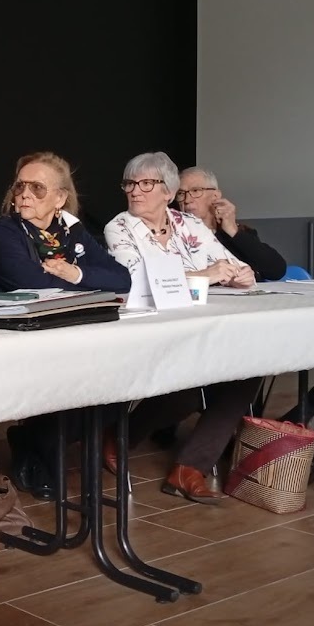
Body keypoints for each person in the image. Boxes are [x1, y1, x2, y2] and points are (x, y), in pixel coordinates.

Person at [104, 152, 262, 502]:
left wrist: (240, 274)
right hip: (149, 327)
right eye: (130, 183)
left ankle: (190, 468)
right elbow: (137, 278)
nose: (135, 191)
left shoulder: (190, 225)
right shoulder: (119, 227)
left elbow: (231, 264)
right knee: (187, 388)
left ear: (169, 192)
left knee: (250, 368)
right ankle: (119, 436)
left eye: (146, 183)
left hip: (200, 324)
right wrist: (206, 275)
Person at [0, 152, 131, 498]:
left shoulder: (71, 232)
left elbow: (121, 279)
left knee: (118, 384)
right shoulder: (5, 230)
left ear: (60, 198)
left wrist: (74, 272)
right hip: (21, 338)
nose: (24, 194)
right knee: (72, 378)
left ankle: (34, 439)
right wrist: (87, 281)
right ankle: (39, 446)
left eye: (37, 188)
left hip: (70, 331)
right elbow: (33, 283)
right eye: (20, 186)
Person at [176, 167, 287, 282]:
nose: (187, 200)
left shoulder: (236, 233)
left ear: (215, 196)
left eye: (195, 191)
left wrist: (233, 230)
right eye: (181, 193)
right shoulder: (172, 235)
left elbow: (276, 270)